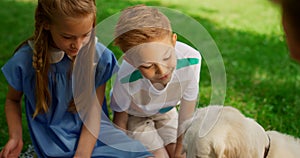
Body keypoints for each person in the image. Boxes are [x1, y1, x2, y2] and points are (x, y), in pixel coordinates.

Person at [0, 0, 152, 157]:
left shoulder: (98, 57)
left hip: (96, 132)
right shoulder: (25, 61)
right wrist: (15, 137)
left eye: (86, 35)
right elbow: (12, 100)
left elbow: (94, 113)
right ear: (46, 24)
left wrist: (82, 154)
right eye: (67, 37)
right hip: (55, 140)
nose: (78, 45)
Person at [111, 5, 202, 158]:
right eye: (148, 66)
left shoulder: (191, 61)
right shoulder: (125, 77)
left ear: (173, 41)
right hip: (136, 116)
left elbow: (186, 116)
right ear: (131, 60)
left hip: (166, 112)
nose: (162, 70)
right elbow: (120, 120)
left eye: (166, 57)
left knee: (179, 152)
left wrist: (180, 153)